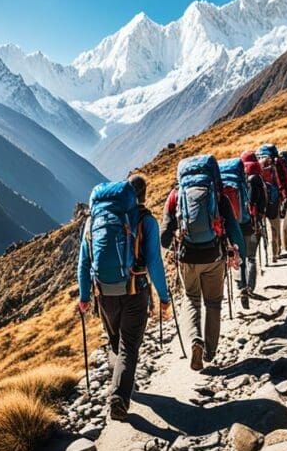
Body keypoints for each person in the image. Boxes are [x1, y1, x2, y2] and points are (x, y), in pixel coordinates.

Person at [77, 174, 170, 421]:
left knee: (114, 340)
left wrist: (84, 296)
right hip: (134, 290)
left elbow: (84, 263)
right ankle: (119, 395)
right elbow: (154, 262)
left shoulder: (92, 222)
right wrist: (164, 296)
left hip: (104, 293)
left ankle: (119, 380)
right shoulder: (146, 221)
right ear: (144, 194)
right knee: (129, 345)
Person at [160, 155, 246, 371]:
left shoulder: (175, 196)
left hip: (188, 257)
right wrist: (239, 254)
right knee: (213, 303)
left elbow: (163, 237)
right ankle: (210, 351)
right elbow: (234, 230)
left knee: (191, 299)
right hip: (214, 256)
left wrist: (175, 240)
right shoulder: (218, 195)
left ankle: (195, 340)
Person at [240, 151, 268, 304]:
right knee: (251, 257)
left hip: (239, 226)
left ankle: (241, 286)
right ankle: (249, 288)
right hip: (253, 225)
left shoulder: (239, 178)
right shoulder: (258, 178)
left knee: (241, 258)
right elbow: (263, 202)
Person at [256, 144, 287, 262]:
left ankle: (265, 252)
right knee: (275, 227)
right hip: (273, 201)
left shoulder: (256, 167)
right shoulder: (274, 166)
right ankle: (276, 253)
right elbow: (279, 183)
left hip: (258, 204)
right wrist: (284, 197)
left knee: (263, 228)